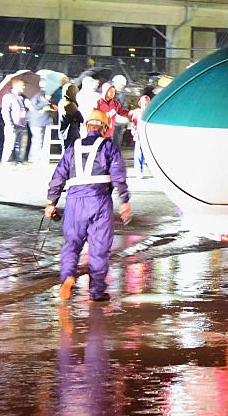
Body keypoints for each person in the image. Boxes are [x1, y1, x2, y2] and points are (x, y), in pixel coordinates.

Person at [45, 109, 131, 302]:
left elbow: (58, 176)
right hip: (99, 201)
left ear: (86, 126)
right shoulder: (109, 146)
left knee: (72, 245)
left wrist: (51, 202)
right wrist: (124, 201)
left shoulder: (72, 148)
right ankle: (97, 292)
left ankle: (67, 276)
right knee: (99, 248)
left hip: (74, 203)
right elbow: (118, 175)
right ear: (105, 128)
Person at [1, 79, 31, 167]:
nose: (24, 87)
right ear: (15, 86)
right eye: (22, 85)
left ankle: (20, 161)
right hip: (12, 125)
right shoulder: (8, 97)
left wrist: (27, 107)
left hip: (23, 124)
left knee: (22, 145)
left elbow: (27, 109)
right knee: (10, 145)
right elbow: (5, 112)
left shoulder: (24, 98)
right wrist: (9, 124)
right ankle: (7, 162)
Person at [28, 82, 55, 164]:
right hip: (37, 121)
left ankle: (39, 156)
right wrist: (45, 102)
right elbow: (35, 106)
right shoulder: (34, 95)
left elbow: (52, 106)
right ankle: (34, 157)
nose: (43, 88)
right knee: (38, 140)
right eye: (42, 86)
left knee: (42, 140)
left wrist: (48, 102)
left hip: (45, 120)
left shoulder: (47, 95)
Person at [129, 92, 152, 178]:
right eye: (143, 103)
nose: (145, 105)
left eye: (146, 103)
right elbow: (133, 123)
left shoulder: (150, 113)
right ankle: (138, 171)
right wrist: (134, 132)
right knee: (138, 154)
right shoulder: (137, 112)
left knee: (147, 154)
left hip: (147, 136)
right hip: (139, 136)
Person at [58, 84, 84, 149]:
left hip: (64, 132)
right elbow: (80, 118)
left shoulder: (62, 102)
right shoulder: (70, 104)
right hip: (70, 133)